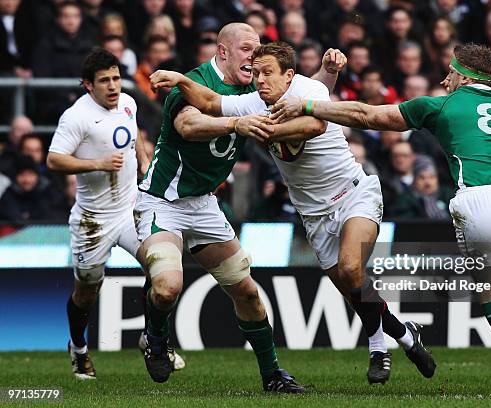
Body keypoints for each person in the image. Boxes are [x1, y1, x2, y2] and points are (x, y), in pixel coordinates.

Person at [269, 43, 491, 397]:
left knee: (490, 284)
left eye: (450, 72)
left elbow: (368, 116)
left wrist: (307, 104)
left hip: (479, 199)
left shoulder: (439, 105)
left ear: (464, 76)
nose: (445, 79)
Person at [150, 41, 436, 385]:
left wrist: (259, 127)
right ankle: (405, 334)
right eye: (255, 74)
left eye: (267, 73)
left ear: (289, 75)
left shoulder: (309, 89)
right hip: (313, 213)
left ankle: (378, 348)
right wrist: (181, 80)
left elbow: (313, 127)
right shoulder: (254, 103)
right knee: (351, 287)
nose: (259, 81)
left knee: (350, 268)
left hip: (353, 194)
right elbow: (210, 102)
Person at [135, 23, 342, 391]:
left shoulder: (253, 88)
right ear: (223, 52)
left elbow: (299, 93)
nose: (254, 55)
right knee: (167, 287)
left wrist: (328, 71)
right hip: (161, 202)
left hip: (204, 205)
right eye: (247, 48)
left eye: (259, 47)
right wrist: (237, 123)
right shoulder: (198, 81)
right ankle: (155, 337)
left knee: (247, 292)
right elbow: (189, 125)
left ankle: (273, 376)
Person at [46, 48, 183, 380]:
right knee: (87, 291)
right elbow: (54, 160)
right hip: (93, 219)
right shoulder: (76, 117)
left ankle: (152, 338)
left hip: (130, 209)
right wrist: (97, 163)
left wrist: (145, 164)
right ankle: (78, 349)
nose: (112, 86)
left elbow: (132, 134)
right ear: (88, 86)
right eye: (104, 81)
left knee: (161, 267)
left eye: (116, 78)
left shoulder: (128, 102)